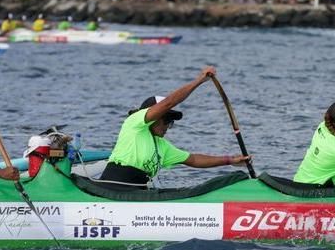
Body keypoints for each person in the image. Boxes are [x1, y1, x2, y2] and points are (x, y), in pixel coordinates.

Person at [100, 67, 250, 187]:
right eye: (167, 121)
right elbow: (169, 103)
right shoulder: (134, 124)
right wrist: (199, 81)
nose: (168, 127)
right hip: (111, 188)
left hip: (137, 193)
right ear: (155, 118)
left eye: (171, 123)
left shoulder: (162, 146)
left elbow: (193, 160)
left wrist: (230, 160)